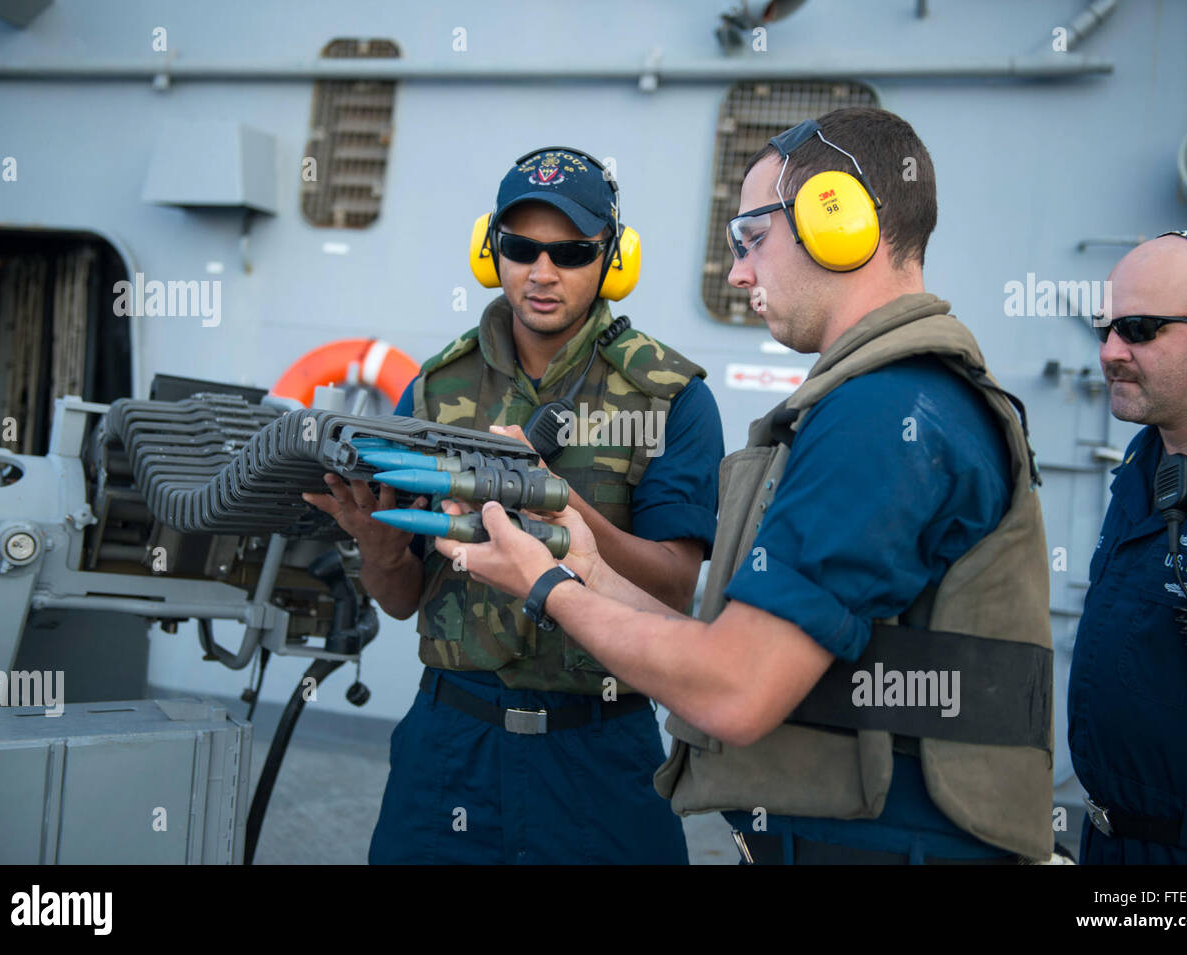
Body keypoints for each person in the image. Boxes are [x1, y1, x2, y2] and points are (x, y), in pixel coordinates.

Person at [436, 107, 1057, 865]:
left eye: (752, 237)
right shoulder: (883, 401)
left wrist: (546, 585)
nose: (737, 272)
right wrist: (583, 556)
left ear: (841, 221)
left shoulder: (886, 413)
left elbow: (735, 689)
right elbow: (734, 647)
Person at [304, 146, 724, 864]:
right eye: (522, 247)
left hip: (600, 750)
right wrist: (374, 545)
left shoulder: (668, 397)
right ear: (490, 249)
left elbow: (674, 586)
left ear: (612, 257)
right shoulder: (435, 390)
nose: (542, 271)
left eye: (571, 251)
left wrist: (560, 509)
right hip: (450, 745)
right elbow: (403, 598)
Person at [1069, 229, 1187, 865]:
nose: (1111, 353)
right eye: (1106, 330)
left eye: (1141, 329)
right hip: (1112, 847)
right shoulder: (1147, 456)